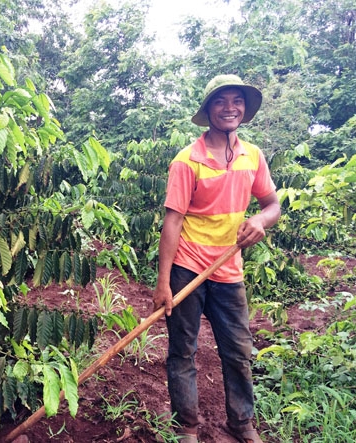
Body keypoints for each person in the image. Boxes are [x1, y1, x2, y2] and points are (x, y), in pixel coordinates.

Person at [152, 74, 281, 443]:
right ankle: (187, 427)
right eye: (221, 101)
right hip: (187, 268)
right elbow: (172, 221)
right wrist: (163, 283)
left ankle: (241, 424)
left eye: (236, 101)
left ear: (244, 108)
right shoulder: (187, 161)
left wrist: (259, 220)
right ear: (208, 110)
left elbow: (272, 205)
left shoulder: (252, 157)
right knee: (182, 351)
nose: (230, 108)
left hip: (229, 271)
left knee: (239, 352)